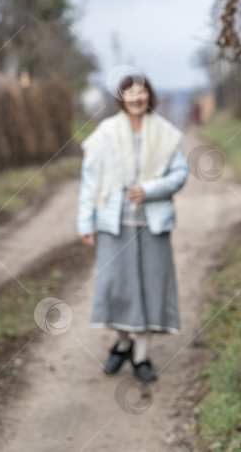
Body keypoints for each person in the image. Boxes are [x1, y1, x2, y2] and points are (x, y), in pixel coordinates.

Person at [77, 73, 188, 382]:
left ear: (149, 95)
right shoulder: (105, 133)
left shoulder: (166, 133)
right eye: (130, 93)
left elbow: (180, 174)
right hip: (114, 226)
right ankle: (123, 344)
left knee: (151, 288)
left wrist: (150, 190)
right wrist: (85, 223)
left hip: (152, 225)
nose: (137, 98)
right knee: (117, 290)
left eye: (142, 92)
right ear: (121, 98)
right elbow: (90, 180)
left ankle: (141, 356)